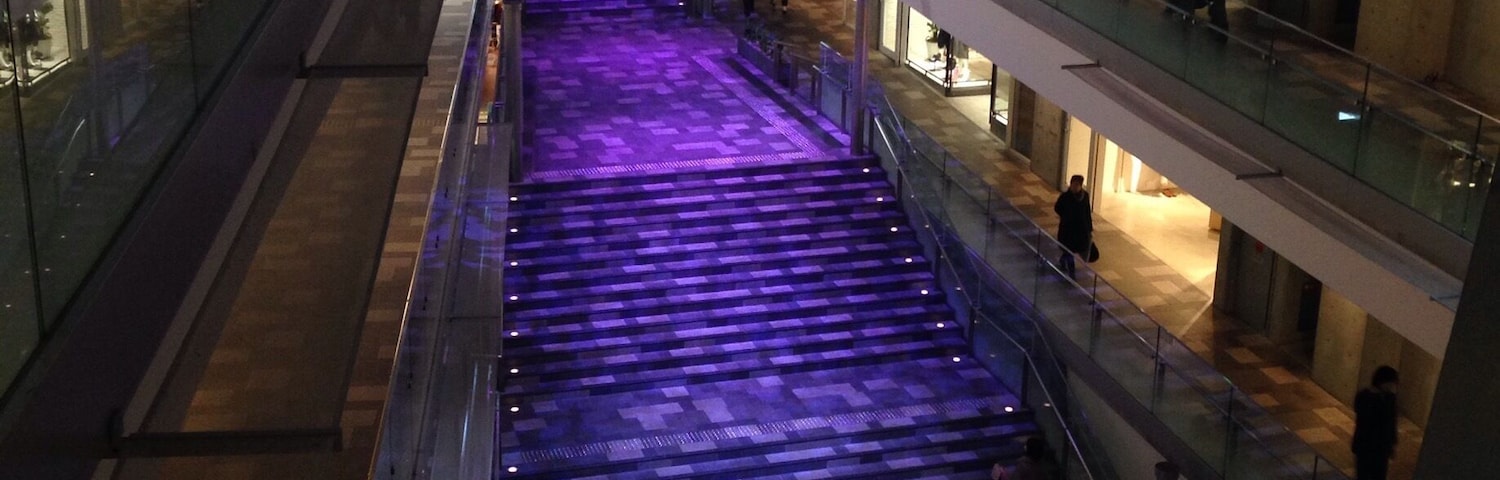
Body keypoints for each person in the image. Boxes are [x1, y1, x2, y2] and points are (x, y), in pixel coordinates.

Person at [1352, 366, 1399, 480]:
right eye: (1391, 383)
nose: (1392, 386)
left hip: (1381, 449)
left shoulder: (1390, 398)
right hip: (1366, 446)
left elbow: (1392, 422)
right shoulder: (1365, 397)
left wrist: (1392, 443)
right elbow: (1365, 420)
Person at [1053, 175, 1093, 278]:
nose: (1074, 187)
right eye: (1073, 185)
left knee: (1071, 250)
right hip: (1067, 229)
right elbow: (1057, 208)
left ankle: (1063, 260)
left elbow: (1087, 212)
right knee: (1069, 249)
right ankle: (1072, 272)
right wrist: (1065, 216)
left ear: (1080, 186)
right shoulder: (1065, 197)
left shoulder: (1085, 197)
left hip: (1080, 230)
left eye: (1077, 185)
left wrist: (1089, 228)